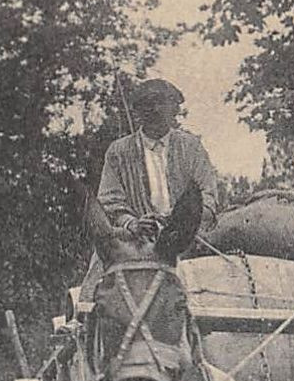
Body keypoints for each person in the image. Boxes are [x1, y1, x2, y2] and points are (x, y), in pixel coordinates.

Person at [88, 79, 219, 281]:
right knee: (96, 290)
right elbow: (109, 203)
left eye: (162, 103)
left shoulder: (192, 147)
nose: (155, 110)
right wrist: (132, 224)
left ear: (174, 109)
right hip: (133, 245)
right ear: (137, 112)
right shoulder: (119, 151)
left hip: (187, 243)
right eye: (147, 104)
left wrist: (179, 221)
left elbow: (208, 197)